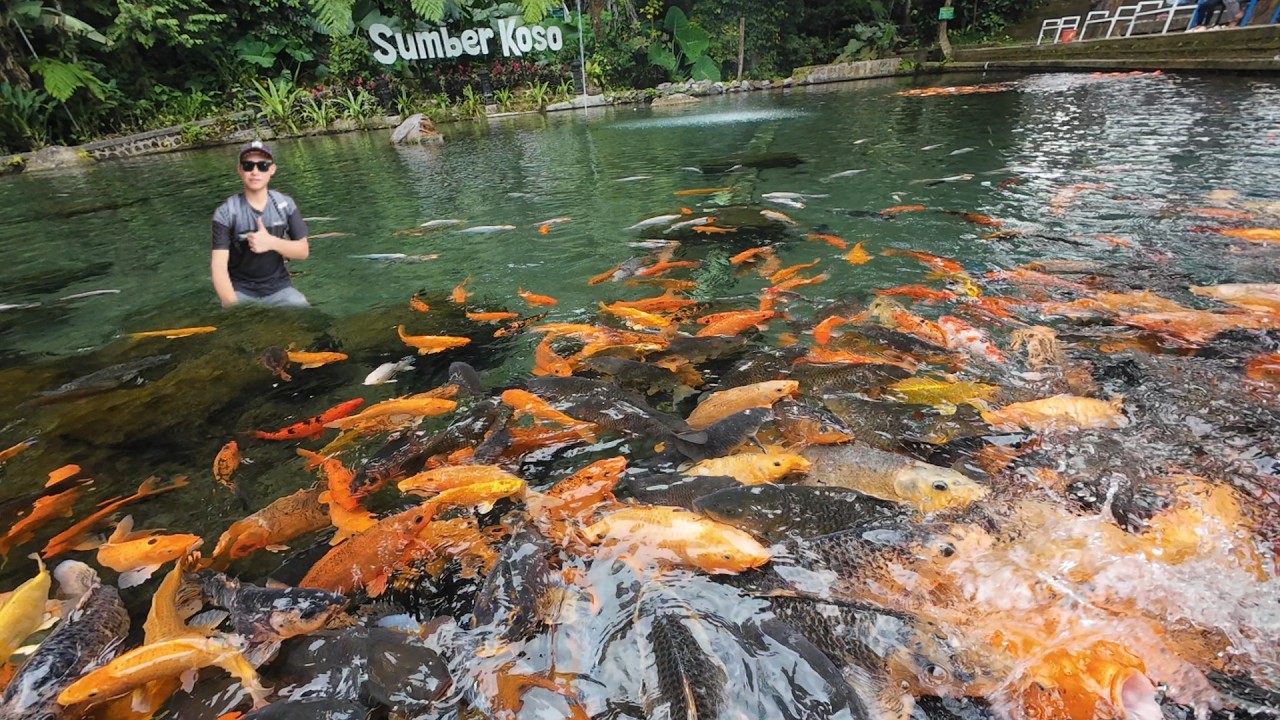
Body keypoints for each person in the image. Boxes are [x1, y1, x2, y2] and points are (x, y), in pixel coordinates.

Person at [210, 141, 310, 307]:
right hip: (240, 290)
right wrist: (234, 307)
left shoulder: (285, 205)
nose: (255, 171)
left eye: (262, 165)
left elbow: (303, 251)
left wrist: (271, 242)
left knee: (308, 320)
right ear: (240, 170)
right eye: (248, 165)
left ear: (272, 170)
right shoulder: (226, 213)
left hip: (280, 289)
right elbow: (218, 266)